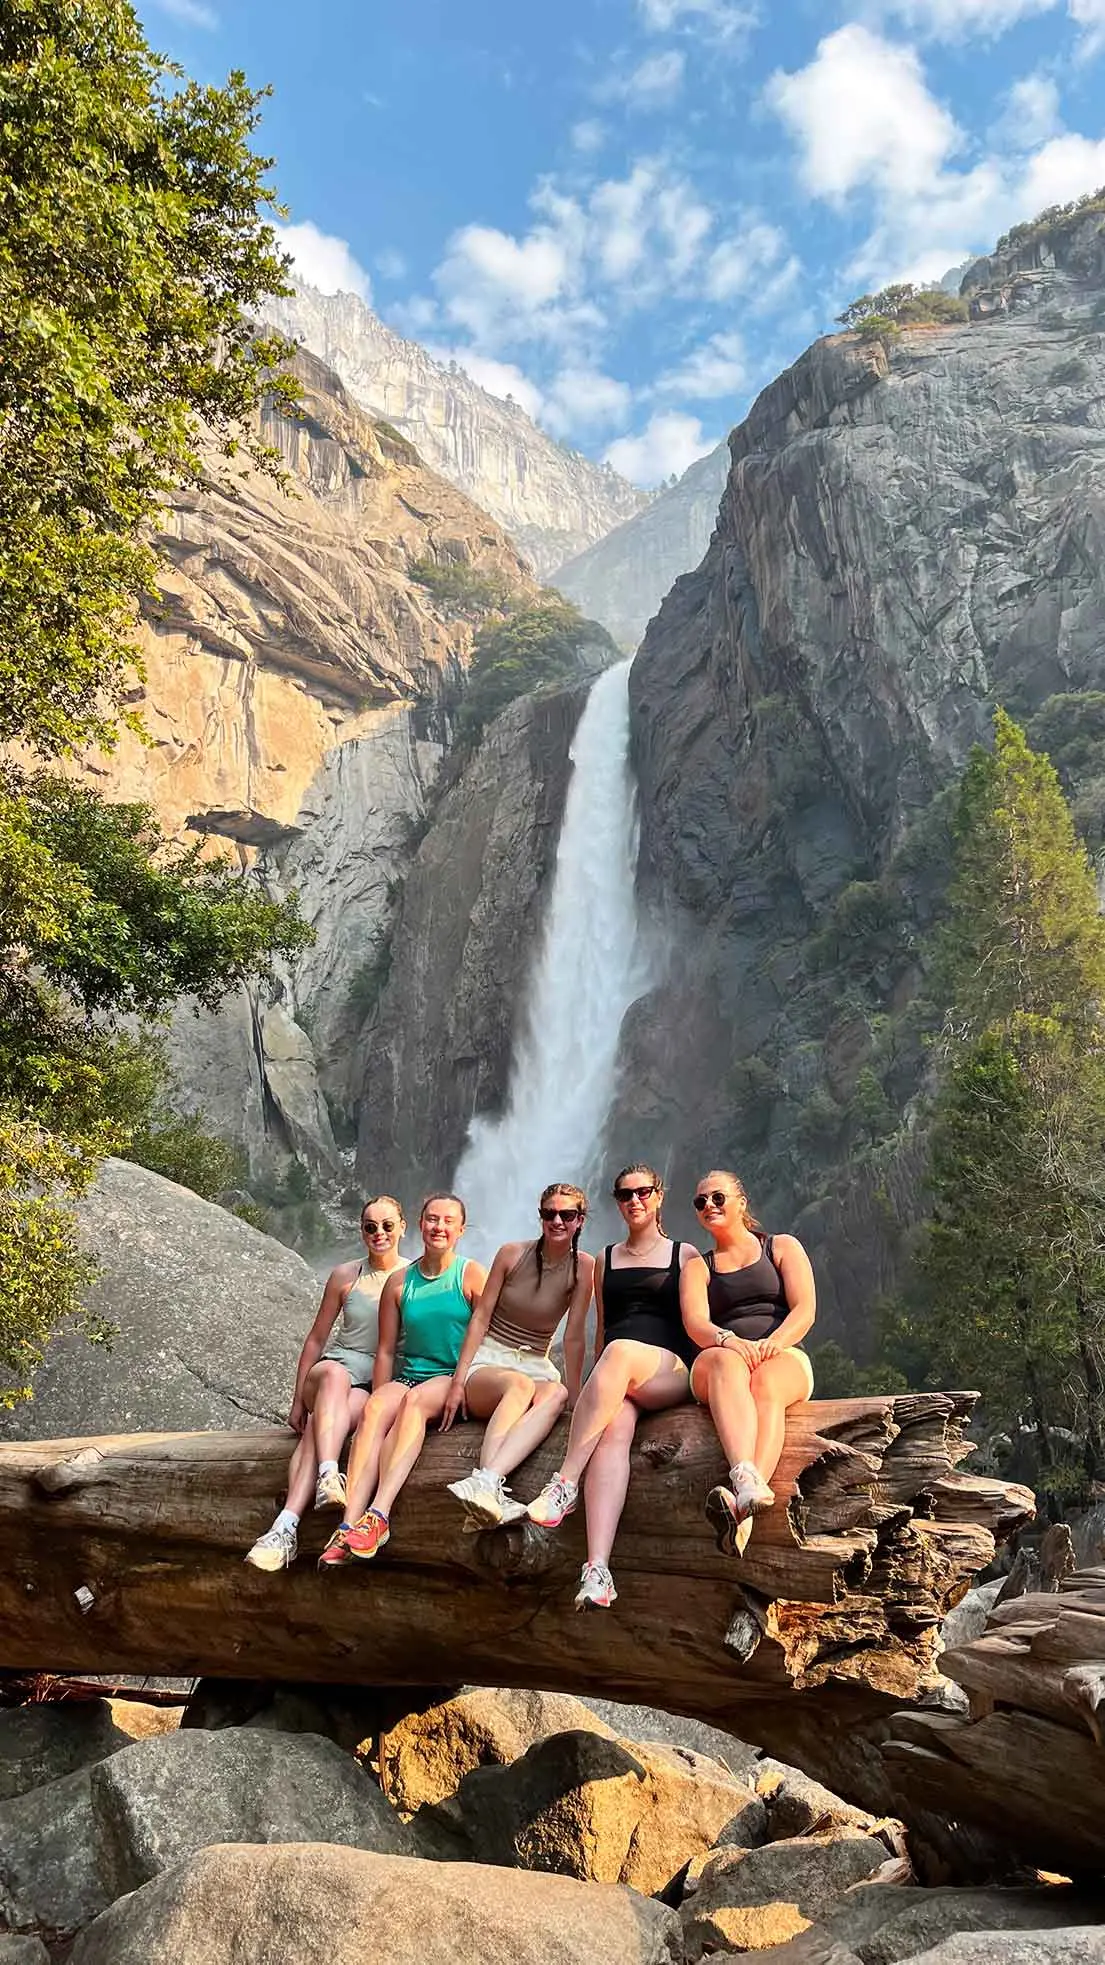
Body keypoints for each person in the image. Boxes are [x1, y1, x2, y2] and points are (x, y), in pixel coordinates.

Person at [525, 1164, 701, 1611]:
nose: (634, 1201)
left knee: (621, 1351)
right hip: (621, 1376)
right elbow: (599, 1330)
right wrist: (589, 1393)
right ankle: (597, 1569)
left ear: (659, 1196)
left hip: (669, 1371)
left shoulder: (685, 1256)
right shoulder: (605, 1259)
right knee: (613, 1431)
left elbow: (694, 1326)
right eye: (624, 1195)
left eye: (643, 1192)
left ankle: (564, 1483)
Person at [319, 1193, 486, 1567]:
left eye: (447, 1221)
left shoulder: (471, 1273)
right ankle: (348, 1525)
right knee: (376, 1408)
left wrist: (464, 1382)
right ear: (420, 1223)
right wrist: (380, 1397)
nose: (438, 1227)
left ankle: (379, 1515)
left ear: (460, 1229)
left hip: (453, 1376)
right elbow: (386, 1351)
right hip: (411, 1374)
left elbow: (485, 1335)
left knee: (411, 1404)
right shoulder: (400, 1281)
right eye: (431, 1219)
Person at [244, 1196, 409, 1571]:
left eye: (386, 1225)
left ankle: (284, 1527)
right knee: (333, 1378)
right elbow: (317, 1339)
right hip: (333, 1368)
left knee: (319, 1429)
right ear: (361, 1231)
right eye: (370, 1226)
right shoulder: (345, 1275)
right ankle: (328, 1475)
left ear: (402, 1227)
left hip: (369, 1384)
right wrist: (296, 1400)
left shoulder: (412, 1277)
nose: (378, 1233)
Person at [441, 1183, 595, 1527]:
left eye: (566, 1215)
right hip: (489, 1358)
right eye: (548, 1213)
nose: (557, 1221)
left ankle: (486, 1485)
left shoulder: (585, 1267)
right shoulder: (511, 1253)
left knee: (556, 1394)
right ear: (540, 1216)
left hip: (537, 1363)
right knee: (519, 1386)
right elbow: (480, 1318)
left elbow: (572, 1338)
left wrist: (575, 1398)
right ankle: (486, 1483)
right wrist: (457, 1381)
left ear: (580, 1220)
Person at [681, 1170, 815, 1554]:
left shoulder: (781, 1246)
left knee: (767, 1383)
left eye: (718, 1198)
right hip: (719, 1358)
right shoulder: (698, 1266)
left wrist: (774, 1344)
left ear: (741, 1202)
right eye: (701, 1201)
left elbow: (804, 1309)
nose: (709, 1206)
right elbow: (695, 1323)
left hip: (782, 1353)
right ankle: (745, 1477)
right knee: (727, 1364)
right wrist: (730, 1340)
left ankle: (742, 1509)